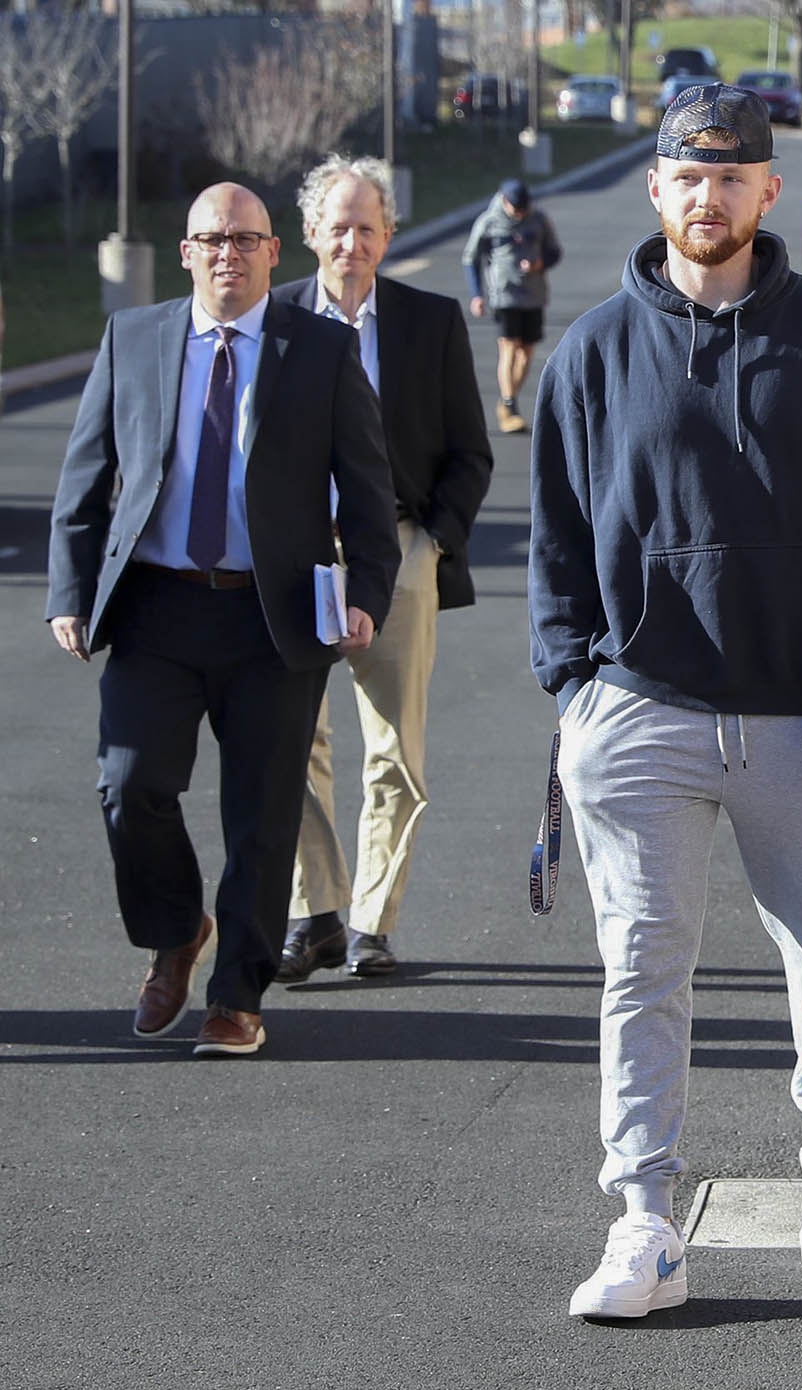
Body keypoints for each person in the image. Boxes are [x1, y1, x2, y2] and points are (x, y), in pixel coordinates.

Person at [530, 83, 802, 1318]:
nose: (706, 197)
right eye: (685, 176)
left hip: (801, 715)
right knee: (641, 967)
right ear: (655, 190)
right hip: (639, 710)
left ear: (769, 192)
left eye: (731, 177)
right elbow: (553, 533)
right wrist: (571, 685)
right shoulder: (594, 350)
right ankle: (644, 1218)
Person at [44, 182, 401, 1058]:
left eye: (245, 241)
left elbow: (367, 489)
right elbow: (85, 480)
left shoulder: (318, 349)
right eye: (212, 240)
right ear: (187, 252)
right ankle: (176, 929)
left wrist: (365, 596)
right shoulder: (136, 338)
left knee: (263, 816)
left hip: (271, 619)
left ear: (275, 252)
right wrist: (71, 591)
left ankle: (237, 996)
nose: (228, 256)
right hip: (157, 607)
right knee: (129, 784)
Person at [274, 154, 495, 983]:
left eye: (368, 228)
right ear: (309, 236)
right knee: (294, 740)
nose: (354, 243)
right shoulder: (277, 321)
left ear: (389, 234)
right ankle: (315, 912)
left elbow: (471, 453)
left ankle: (373, 921)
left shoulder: (430, 323)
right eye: (339, 228)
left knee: (394, 752)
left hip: (400, 551)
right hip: (296, 557)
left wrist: (430, 546)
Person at [462, 177, 562, 435]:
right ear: (504, 202)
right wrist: (477, 295)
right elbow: (471, 258)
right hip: (503, 294)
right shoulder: (488, 222)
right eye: (516, 209)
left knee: (527, 350)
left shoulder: (539, 219)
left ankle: (509, 398)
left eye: (523, 209)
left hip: (533, 294)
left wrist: (540, 263)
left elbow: (555, 251)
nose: (520, 214)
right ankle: (509, 403)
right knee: (509, 346)